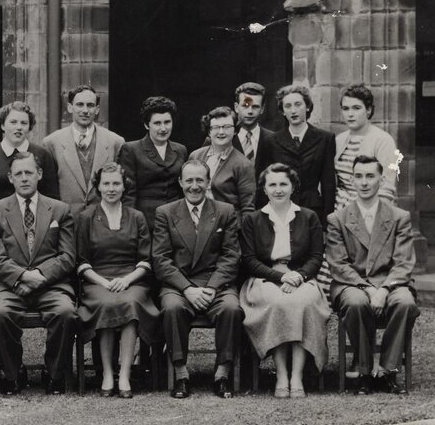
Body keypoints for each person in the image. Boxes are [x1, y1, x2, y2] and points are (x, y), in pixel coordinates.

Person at [0, 151, 77, 395]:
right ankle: (13, 374)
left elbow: (67, 257)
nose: (24, 178)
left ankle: (54, 374)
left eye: (29, 172)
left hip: (50, 284)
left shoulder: (60, 210)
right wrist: (22, 277)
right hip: (8, 284)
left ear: (39, 175)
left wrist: (38, 277)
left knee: (65, 312)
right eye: (18, 173)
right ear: (10, 178)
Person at [326, 155, 419, 395]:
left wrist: (385, 289)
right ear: (352, 180)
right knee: (355, 302)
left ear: (381, 179)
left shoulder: (399, 217)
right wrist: (368, 289)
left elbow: (403, 262)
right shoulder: (338, 219)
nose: (364, 182)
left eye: (370, 176)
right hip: (352, 285)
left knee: (405, 301)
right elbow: (338, 264)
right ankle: (365, 371)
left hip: (391, 283)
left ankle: (388, 371)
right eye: (358, 176)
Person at [152, 160, 243, 399]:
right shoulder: (166, 213)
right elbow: (161, 259)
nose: (195, 186)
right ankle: (181, 374)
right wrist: (187, 289)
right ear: (180, 182)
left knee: (231, 308)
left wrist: (212, 287)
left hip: (216, 283)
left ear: (208, 182)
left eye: (200, 180)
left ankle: (222, 374)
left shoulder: (225, 211)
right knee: (172, 308)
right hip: (179, 284)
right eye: (189, 180)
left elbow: (231, 255)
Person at [240, 164, 329, 398]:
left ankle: (297, 374)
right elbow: (249, 260)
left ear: (293, 187)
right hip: (264, 279)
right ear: (264, 189)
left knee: (304, 302)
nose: (278, 190)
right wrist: (280, 277)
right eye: (272, 185)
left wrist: (298, 276)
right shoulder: (252, 219)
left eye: (283, 184)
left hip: (302, 277)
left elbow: (316, 257)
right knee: (278, 303)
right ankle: (281, 373)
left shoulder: (309, 217)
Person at [75, 163, 157, 399]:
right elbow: (81, 261)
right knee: (108, 303)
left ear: (124, 186)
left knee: (129, 304)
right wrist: (102, 282)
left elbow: (145, 259)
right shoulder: (86, 217)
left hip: (132, 280)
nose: (111, 188)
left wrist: (127, 279)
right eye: (106, 184)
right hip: (97, 281)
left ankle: (125, 374)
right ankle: (108, 373)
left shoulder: (137, 216)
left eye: (116, 184)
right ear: (98, 187)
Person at [43, 85, 125, 214]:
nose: (85, 110)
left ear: (97, 109)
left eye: (90, 105)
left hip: (103, 221)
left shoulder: (115, 141)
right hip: (67, 221)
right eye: (80, 105)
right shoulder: (52, 142)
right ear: (70, 107)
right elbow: (48, 189)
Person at [266, 84, 336, 224]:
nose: (293, 110)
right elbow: (263, 181)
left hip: (313, 210)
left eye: (298, 104)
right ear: (282, 111)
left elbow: (328, 184)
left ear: (308, 106)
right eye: (288, 106)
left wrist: (327, 222)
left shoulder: (325, 138)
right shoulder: (271, 141)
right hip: (280, 209)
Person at [0, 102, 60, 210]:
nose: (19, 127)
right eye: (13, 122)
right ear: (3, 125)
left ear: (29, 127)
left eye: (24, 123)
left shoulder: (42, 154)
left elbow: (52, 198)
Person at [116, 96, 188, 229]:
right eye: (157, 123)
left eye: (167, 122)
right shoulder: (131, 150)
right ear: (146, 124)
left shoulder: (180, 150)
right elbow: (128, 193)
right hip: (146, 221)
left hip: (177, 220)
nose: (163, 128)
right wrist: (131, 225)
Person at [335, 83, 399, 209]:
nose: (350, 114)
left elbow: (385, 190)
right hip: (339, 214)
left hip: (367, 214)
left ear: (368, 110)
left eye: (356, 108)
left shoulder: (383, 140)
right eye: (346, 108)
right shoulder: (339, 140)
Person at [188, 106, 256, 217]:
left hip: (228, 226)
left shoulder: (243, 165)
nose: (221, 132)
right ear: (209, 131)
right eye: (215, 127)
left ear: (235, 131)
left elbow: (247, 208)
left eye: (227, 127)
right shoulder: (195, 156)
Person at [232, 82, 276, 183]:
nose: (250, 111)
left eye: (255, 106)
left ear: (262, 109)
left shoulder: (274, 140)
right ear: (236, 107)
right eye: (245, 106)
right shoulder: (224, 138)